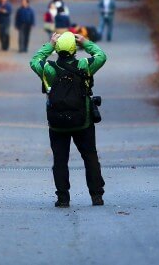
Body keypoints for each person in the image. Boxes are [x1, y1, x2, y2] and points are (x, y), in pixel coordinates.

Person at [30, 31, 107, 207]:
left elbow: (34, 61)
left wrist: (49, 44)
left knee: (60, 160)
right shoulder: (84, 65)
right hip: (83, 122)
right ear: (75, 50)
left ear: (57, 50)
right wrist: (86, 42)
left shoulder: (48, 68)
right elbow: (101, 56)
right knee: (90, 156)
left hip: (57, 125)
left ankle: (63, 198)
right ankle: (97, 196)